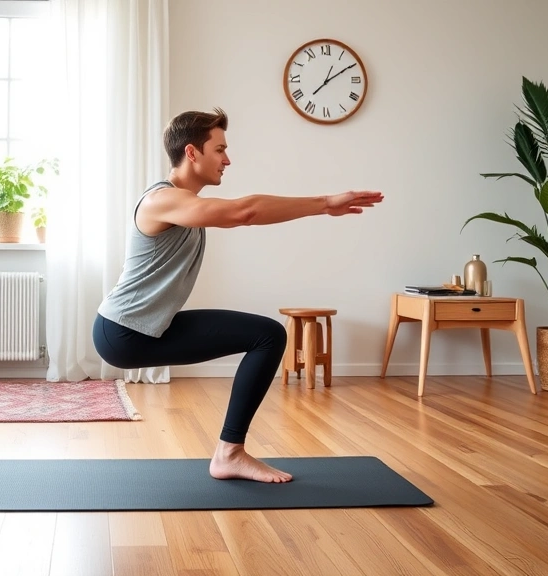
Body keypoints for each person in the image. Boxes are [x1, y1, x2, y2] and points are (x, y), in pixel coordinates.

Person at [92, 107, 384, 483]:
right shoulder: (161, 202)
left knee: (267, 334)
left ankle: (229, 454)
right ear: (192, 153)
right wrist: (325, 204)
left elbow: (246, 213)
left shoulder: (183, 203)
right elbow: (245, 212)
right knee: (268, 335)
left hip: (148, 328)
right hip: (123, 333)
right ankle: (230, 454)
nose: (228, 159)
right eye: (219, 149)